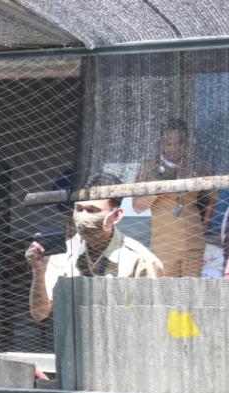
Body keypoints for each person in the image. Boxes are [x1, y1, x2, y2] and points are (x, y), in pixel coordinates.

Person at [26, 173, 165, 322]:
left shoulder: (140, 260)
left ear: (116, 215)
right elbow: (39, 314)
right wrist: (39, 271)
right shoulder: (63, 255)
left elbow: (152, 320)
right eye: (79, 209)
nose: (82, 217)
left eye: (92, 210)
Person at [132, 119, 216, 277]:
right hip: (164, 245)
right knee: (166, 295)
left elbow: (211, 200)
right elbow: (137, 206)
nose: (174, 148)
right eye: (169, 143)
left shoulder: (198, 166)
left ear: (187, 144)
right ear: (162, 144)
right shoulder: (149, 168)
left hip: (194, 244)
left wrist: (202, 230)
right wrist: (158, 188)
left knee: (191, 294)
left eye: (180, 143)